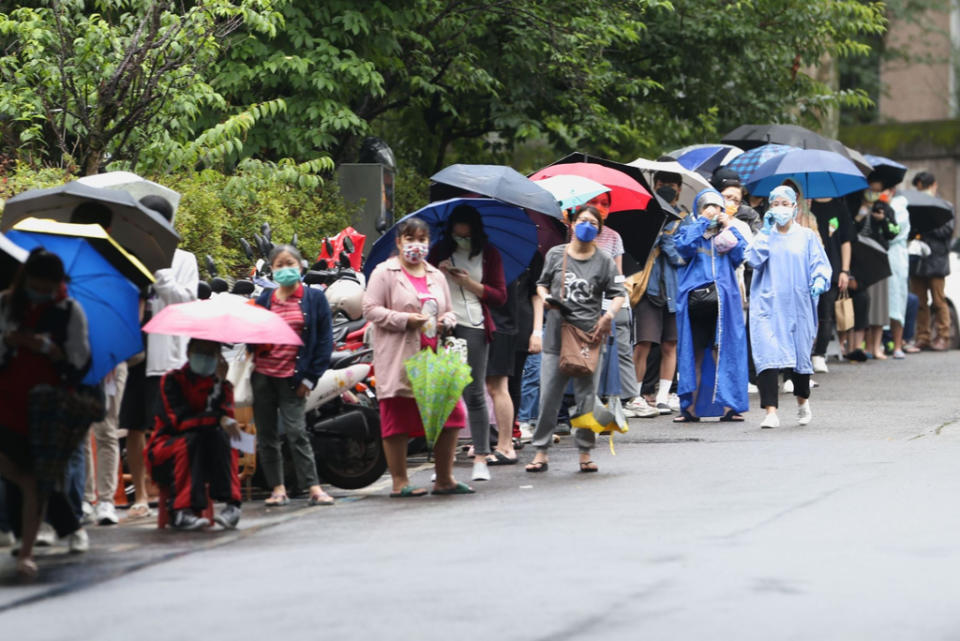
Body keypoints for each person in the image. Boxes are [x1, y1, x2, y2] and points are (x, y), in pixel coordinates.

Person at [363, 217, 473, 497]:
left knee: (452, 415)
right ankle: (400, 482)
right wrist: (404, 319)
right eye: (410, 239)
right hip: (400, 356)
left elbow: (448, 310)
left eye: (422, 240)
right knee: (397, 419)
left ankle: (444, 478)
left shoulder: (436, 275)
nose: (416, 245)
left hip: (434, 357)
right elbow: (370, 309)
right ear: (399, 242)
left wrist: (446, 320)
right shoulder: (384, 272)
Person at [0, 249, 91, 579]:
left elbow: (81, 361)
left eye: (48, 285)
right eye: (37, 284)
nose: (43, 291)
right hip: (8, 400)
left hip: (49, 405)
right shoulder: (7, 304)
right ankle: (30, 534)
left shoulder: (69, 311)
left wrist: (52, 351)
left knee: (40, 474)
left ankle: (46, 536)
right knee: (24, 473)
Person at [526, 206, 625, 473]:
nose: (586, 226)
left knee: (586, 397)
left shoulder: (604, 260)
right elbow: (541, 283)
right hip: (557, 336)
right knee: (548, 396)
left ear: (599, 229)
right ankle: (541, 451)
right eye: (582, 220)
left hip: (589, 337)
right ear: (571, 224)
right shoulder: (557, 254)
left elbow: (619, 292)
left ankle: (585, 452)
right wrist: (546, 298)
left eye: (593, 223)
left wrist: (609, 316)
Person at [119, 195, 198, 519]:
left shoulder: (183, 259)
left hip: (165, 353)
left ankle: (166, 490)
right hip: (133, 349)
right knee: (133, 426)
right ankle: (140, 496)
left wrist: (162, 272)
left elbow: (186, 300)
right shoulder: (128, 254)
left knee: (160, 427)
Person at [428, 205, 507, 482]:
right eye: (456, 226)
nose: (460, 231)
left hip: (474, 324)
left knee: (474, 392)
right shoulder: (438, 251)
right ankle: (442, 462)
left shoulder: (490, 254)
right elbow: (424, 286)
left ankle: (481, 457)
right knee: (443, 394)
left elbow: (499, 296)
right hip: (443, 326)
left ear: (474, 227)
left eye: (465, 225)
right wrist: (438, 274)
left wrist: (469, 282)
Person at [253, 244, 335, 506]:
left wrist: (310, 378)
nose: (285, 269)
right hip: (263, 376)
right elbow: (255, 334)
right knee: (266, 436)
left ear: (300, 267)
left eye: (290, 264)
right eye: (279, 265)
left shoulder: (314, 298)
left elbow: (324, 342)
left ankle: (313, 487)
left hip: (294, 379)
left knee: (296, 432)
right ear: (272, 270)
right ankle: (277, 489)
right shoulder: (265, 299)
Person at [745, 185, 832, 428]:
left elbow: (820, 265)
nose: (780, 209)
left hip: (798, 305)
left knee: (800, 358)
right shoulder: (764, 236)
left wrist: (819, 280)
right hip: (767, 305)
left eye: (785, 204)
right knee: (767, 356)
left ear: (794, 207)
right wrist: (764, 231)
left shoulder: (806, 236)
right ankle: (770, 412)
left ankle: (802, 401)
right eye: (775, 204)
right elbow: (752, 260)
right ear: (769, 208)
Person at [145, 339, 243, 530]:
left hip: (204, 455)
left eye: (210, 353)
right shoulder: (171, 381)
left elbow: (227, 421)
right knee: (190, 440)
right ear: (189, 352)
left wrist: (219, 387)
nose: (205, 357)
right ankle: (180, 511)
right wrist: (214, 418)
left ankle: (233, 506)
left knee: (225, 437)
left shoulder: (221, 386)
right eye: (201, 351)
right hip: (165, 453)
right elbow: (179, 422)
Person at [673, 190, 749, 422]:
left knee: (723, 352)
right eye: (707, 206)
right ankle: (689, 408)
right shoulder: (689, 230)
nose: (713, 209)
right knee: (693, 354)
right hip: (695, 300)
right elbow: (683, 248)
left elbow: (741, 254)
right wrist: (703, 222)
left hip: (724, 300)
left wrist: (728, 227)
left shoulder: (727, 232)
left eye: (717, 206)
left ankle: (730, 407)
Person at [584, 192, 642, 414]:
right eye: (594, 202)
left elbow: (618, 273)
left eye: (605, 204)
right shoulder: (571, 235)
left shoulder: (613, 236)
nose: (599, 207)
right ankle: (589, 400)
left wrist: (619, 291)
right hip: (584, 304)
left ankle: (627, 397)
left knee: (620, 349)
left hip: (612, 301)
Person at [631, 178, 685, 417]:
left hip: (674, 290)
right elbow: (638, 249)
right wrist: (657, 232)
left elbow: (681, 257)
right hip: (648, 289)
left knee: (670, 343)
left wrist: (668, 237)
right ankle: (634, 395)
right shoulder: (644, 219)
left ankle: (663, 395)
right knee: (643, 342)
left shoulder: (684, 221)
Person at [908, 172, 954, 351]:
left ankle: (943, 336)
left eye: (924, 188)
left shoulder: (945, 206)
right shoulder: (915, 207)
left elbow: (946, 232)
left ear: (933, 186)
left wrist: (928, 223)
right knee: (920, 302)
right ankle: (923, 336)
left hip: (937, 261)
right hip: (918, 260)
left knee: (938, 301)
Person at [810, 197, 854, 372]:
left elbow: (846, 241)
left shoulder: (839, 206)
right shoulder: (803, 207)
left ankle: (819, 354)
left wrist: (845, 270)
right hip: (807, 268)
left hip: (833, 267)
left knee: (826, 314)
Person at [856, 196, 899, 359]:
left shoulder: (887, 209)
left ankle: (876, 347)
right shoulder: (858, 208)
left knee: (880, 306)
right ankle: (864, 346)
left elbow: (893, 232)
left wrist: (884, 219)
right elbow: (852, 231)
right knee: (866, 305)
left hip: (880, 258)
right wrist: (861, 216)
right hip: (862, 259)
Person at [83, 362, 126, 525]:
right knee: (80, 433)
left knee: (106, 432)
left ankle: (106, 501)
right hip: (79, 362)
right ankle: (85, 499)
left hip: (111, 364)